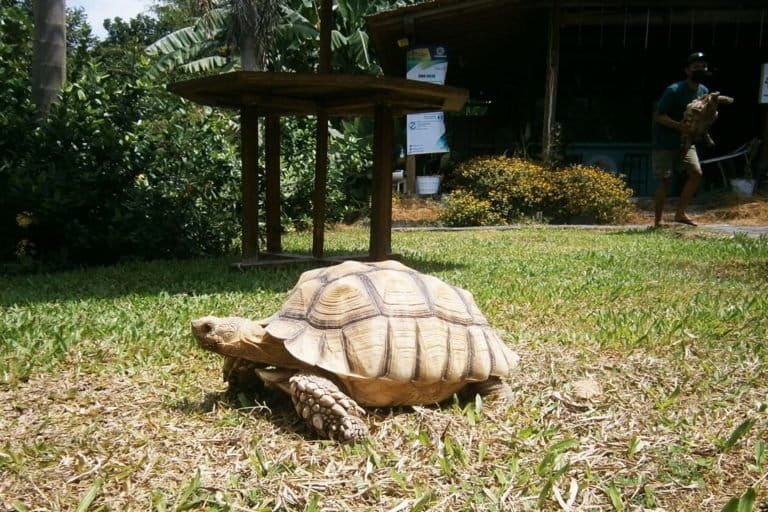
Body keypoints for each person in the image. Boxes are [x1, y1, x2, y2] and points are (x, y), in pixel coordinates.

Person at [652, 51, 711, 227]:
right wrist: (679, 126)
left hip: (687, 142)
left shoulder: (704, 91)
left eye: (703, 67)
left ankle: (680, 214)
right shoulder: (674, 90)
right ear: (687, 70)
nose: (700, 70)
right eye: (696, 67)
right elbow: (659, 116)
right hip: (665, 142)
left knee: (695, 173)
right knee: (665, 180)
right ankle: (658, 221)